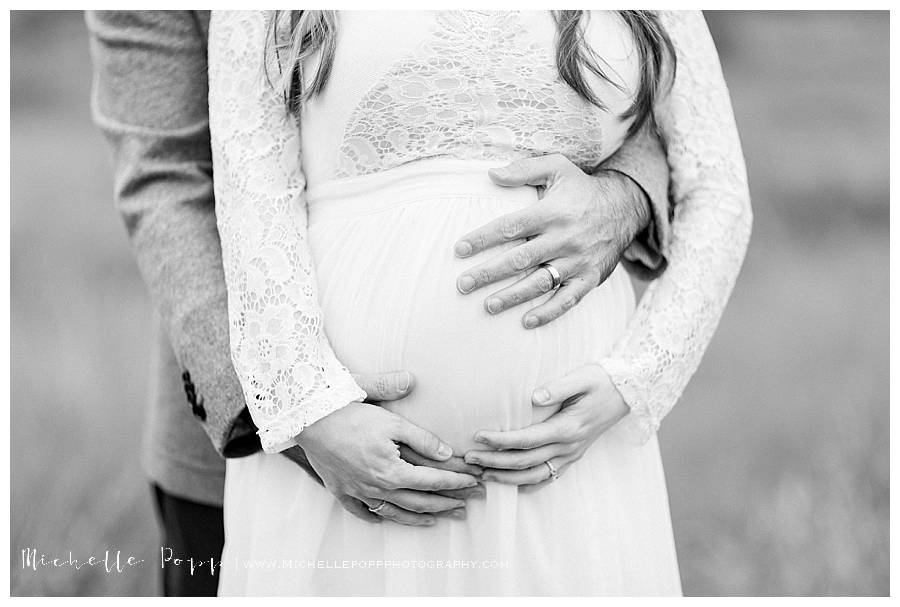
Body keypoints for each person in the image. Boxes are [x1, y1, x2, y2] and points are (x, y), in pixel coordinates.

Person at [86, 9, 673, 596]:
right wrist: (298, 413)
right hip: (240, 431)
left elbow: (648, 103)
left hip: (551, 469)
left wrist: (623, 198)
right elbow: (165, 176)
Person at [209, 9, 751, 596]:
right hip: (344, 466)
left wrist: (638, 378)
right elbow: (252, 190)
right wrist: (312, 411)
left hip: (573, 469)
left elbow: (717, 190)